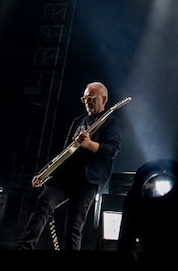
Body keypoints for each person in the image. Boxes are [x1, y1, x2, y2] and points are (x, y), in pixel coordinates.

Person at [17, 81, 121, 251]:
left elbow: (112, 150)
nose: (87, 102)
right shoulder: (78, 121)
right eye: (85, 98)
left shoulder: (111, 122)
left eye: (91, 98)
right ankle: (24, 247)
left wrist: (90, 145)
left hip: (88, 181)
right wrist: (46, 174)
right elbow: (65, 153)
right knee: (43, 203)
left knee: (74, 225)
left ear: (104, 99)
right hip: (64, 178)